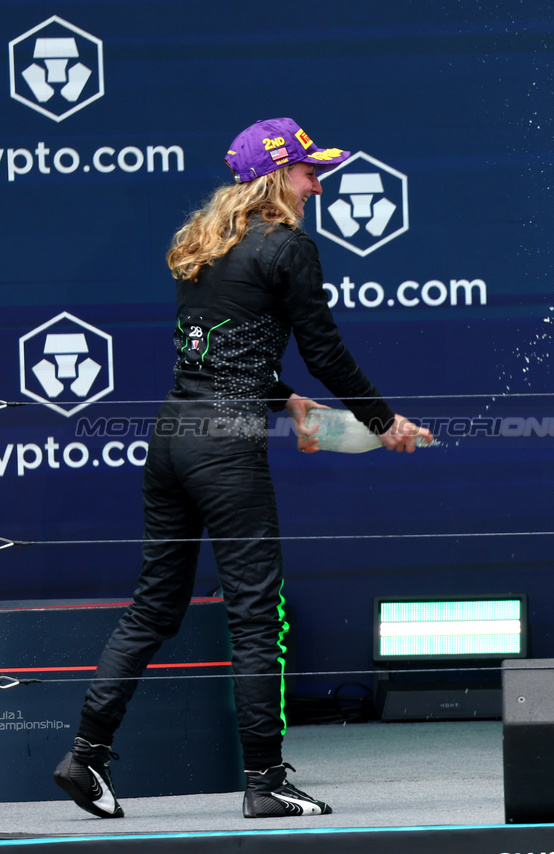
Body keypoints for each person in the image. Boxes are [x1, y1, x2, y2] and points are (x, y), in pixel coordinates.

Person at [52, 118, 432, 819]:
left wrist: (284, 398)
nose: (318, 184)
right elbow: (326, 352)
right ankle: (265, 782)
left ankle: (85, 756)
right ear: (275, 178)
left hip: (172, 440)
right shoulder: (288, 246)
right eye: (309, 171)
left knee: (153, 606)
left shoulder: (204, 242)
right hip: (224, 448)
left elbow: (219, 355)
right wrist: (385, 422)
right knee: (258, 617)